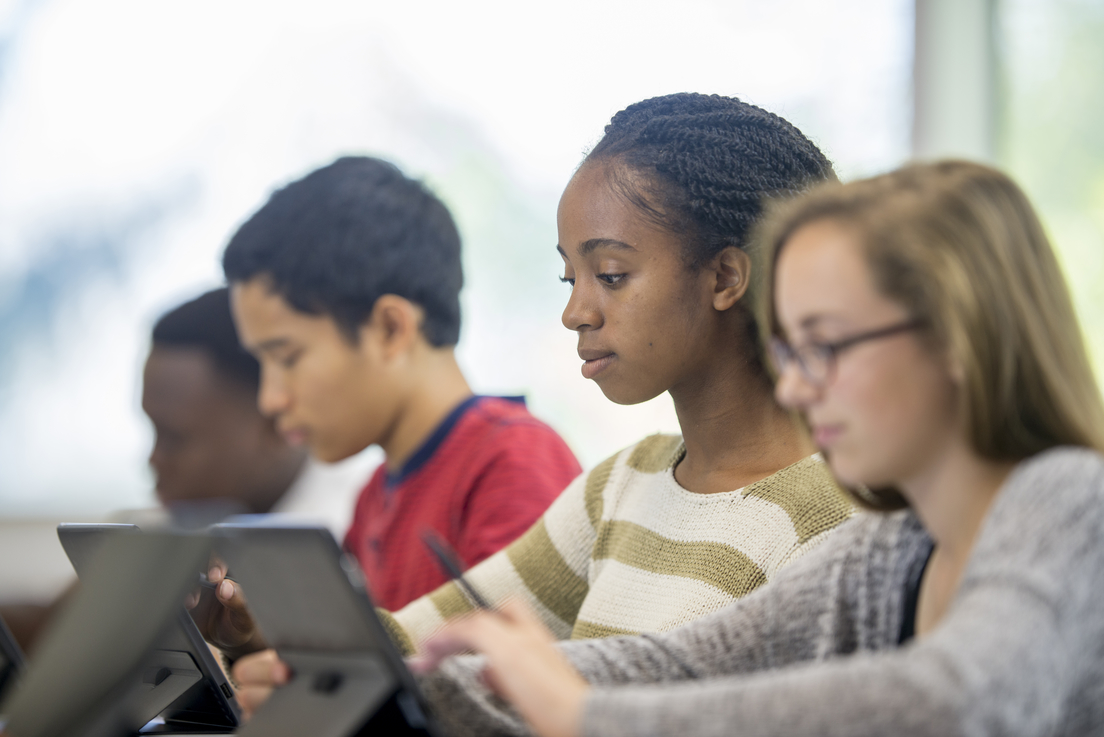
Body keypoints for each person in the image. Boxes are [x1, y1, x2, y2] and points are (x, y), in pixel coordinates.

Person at [412, 160, 1104, 737]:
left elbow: (956, 700)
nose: (796, 388)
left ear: (956, 337)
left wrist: (576, 711)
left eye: (826, 346)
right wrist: (398, 686)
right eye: (788, 350)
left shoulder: (1072, 500)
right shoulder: (889, 553)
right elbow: (682, 667)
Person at [230, 94, 856, 716]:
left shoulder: (833, 523)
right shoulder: (621, 485)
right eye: (570, 279)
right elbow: (418, 644)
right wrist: (263, 641)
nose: (575, 312)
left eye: (610, 274)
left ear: (724, 278)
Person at [206, 156, 581, 650]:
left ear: (390, 329)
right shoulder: (375, 497)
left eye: (287, 357)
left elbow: (501, 692)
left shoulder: (512, 463)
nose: (270, 399)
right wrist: (257, 643)